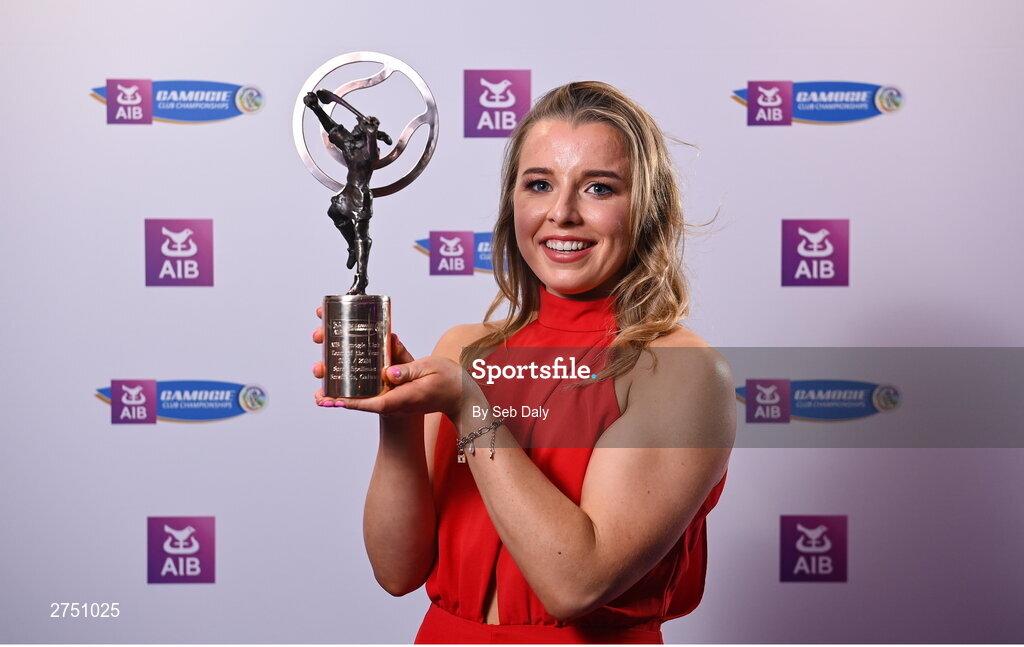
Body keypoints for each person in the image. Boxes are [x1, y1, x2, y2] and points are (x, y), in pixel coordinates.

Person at [311, 81, 735, 643]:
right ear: (514, 202)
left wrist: (467, 407)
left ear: (647, 207)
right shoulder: (465, 349)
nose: (562, 213)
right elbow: (397, 572)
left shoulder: (680, 371)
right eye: (540, 184)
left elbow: (575, 584)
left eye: (599, 189)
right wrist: (398, 414)